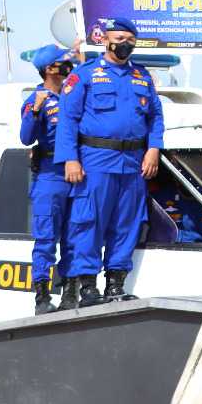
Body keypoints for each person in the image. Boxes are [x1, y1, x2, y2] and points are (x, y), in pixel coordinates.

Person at [55, 18, 165, 307]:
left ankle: (115, 285)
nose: (125, 44)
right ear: (105, 40)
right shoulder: (84, 75)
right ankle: (88, 287)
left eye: (131, 39)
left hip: (133, 163)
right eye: (119, 38)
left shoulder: (142, 77)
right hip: (95, 161)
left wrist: (154, 149)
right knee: (90, 221)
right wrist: (69, 159)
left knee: (127, 224)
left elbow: (155, 117)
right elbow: (68, 120)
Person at [19, 43, 80, 314]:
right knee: (45, 239)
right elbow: (25, 138)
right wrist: (35, 111)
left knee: (75, 237)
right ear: (49, 70)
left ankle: (71, 295)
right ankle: (42, 299)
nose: (69, 66)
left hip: (77, 176)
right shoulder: (36, 99)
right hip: (50, 177)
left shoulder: (74, 95)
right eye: (64, 63)